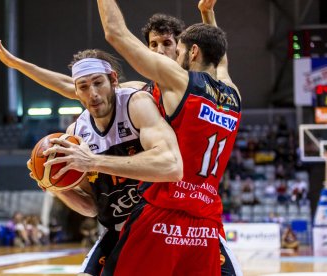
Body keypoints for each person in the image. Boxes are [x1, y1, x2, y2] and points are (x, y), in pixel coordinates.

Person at [46, 0, 241, 274]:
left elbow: (115, 33)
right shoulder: (233, 94)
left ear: (193, 52)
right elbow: (222, 61)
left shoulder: (179, 81)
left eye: (179, 49)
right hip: (206, 216)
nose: (170, 56)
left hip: (163, 209)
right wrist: (208, 14)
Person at [28, 49, 182, 276]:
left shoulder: (136, 104)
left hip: (161, 225)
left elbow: (171, 166)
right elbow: (91, 207)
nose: (93, 93)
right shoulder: (76, 133)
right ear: (76, 92)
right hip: (117, 230)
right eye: (83, 87)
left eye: (98, 83)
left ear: (113, 80)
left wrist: (93, 161)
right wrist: (55, 188)